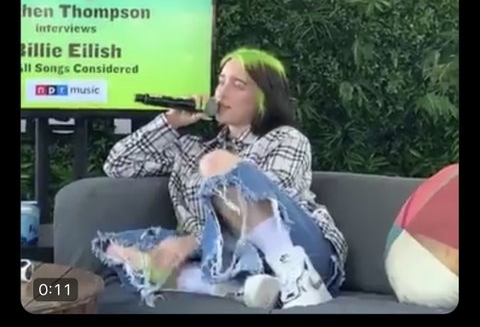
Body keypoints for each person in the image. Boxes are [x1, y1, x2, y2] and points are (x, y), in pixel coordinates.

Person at [92, 48, 348, 310]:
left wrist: (193, 242)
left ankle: (299, 279)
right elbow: (118, 164)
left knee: (216, 164)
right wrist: (170, 122)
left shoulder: (285, 139)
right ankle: (241, 290)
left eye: (238, 85)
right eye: (221, 81)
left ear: (265, 97)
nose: (222, 93)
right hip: (234, 260)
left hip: (302, 249)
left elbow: (275, 203)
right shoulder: (192, 150)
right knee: (122, 250)